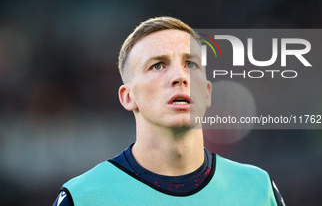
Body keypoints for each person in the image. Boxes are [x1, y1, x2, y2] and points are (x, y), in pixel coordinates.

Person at [53, 16, 285, 206]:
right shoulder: (83, 197)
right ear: (128, 97)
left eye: (190, 64)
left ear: (207, 93)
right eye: (157, 65)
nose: (180, 77)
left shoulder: (258, 188)